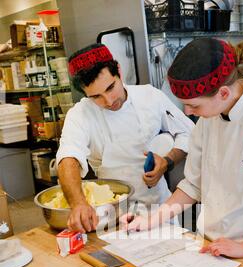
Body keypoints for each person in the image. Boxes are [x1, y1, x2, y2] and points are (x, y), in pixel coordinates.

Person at [121, 38, 243, 263]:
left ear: (223, 93)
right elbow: (193, 184)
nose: (187, 112)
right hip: (213, 247)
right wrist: (152, 220)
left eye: (194, 105)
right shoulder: (209, 119)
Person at [56, 43, 194, 232]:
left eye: (111, 87)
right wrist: (78, 203)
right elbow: (67, 158)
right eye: (96, 97)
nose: (109, 101)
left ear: (119, 71)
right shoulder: (80, 114)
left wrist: (167, 162)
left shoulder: (149, 96)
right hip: (111, 214)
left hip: (157, 210)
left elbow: (188, 133)